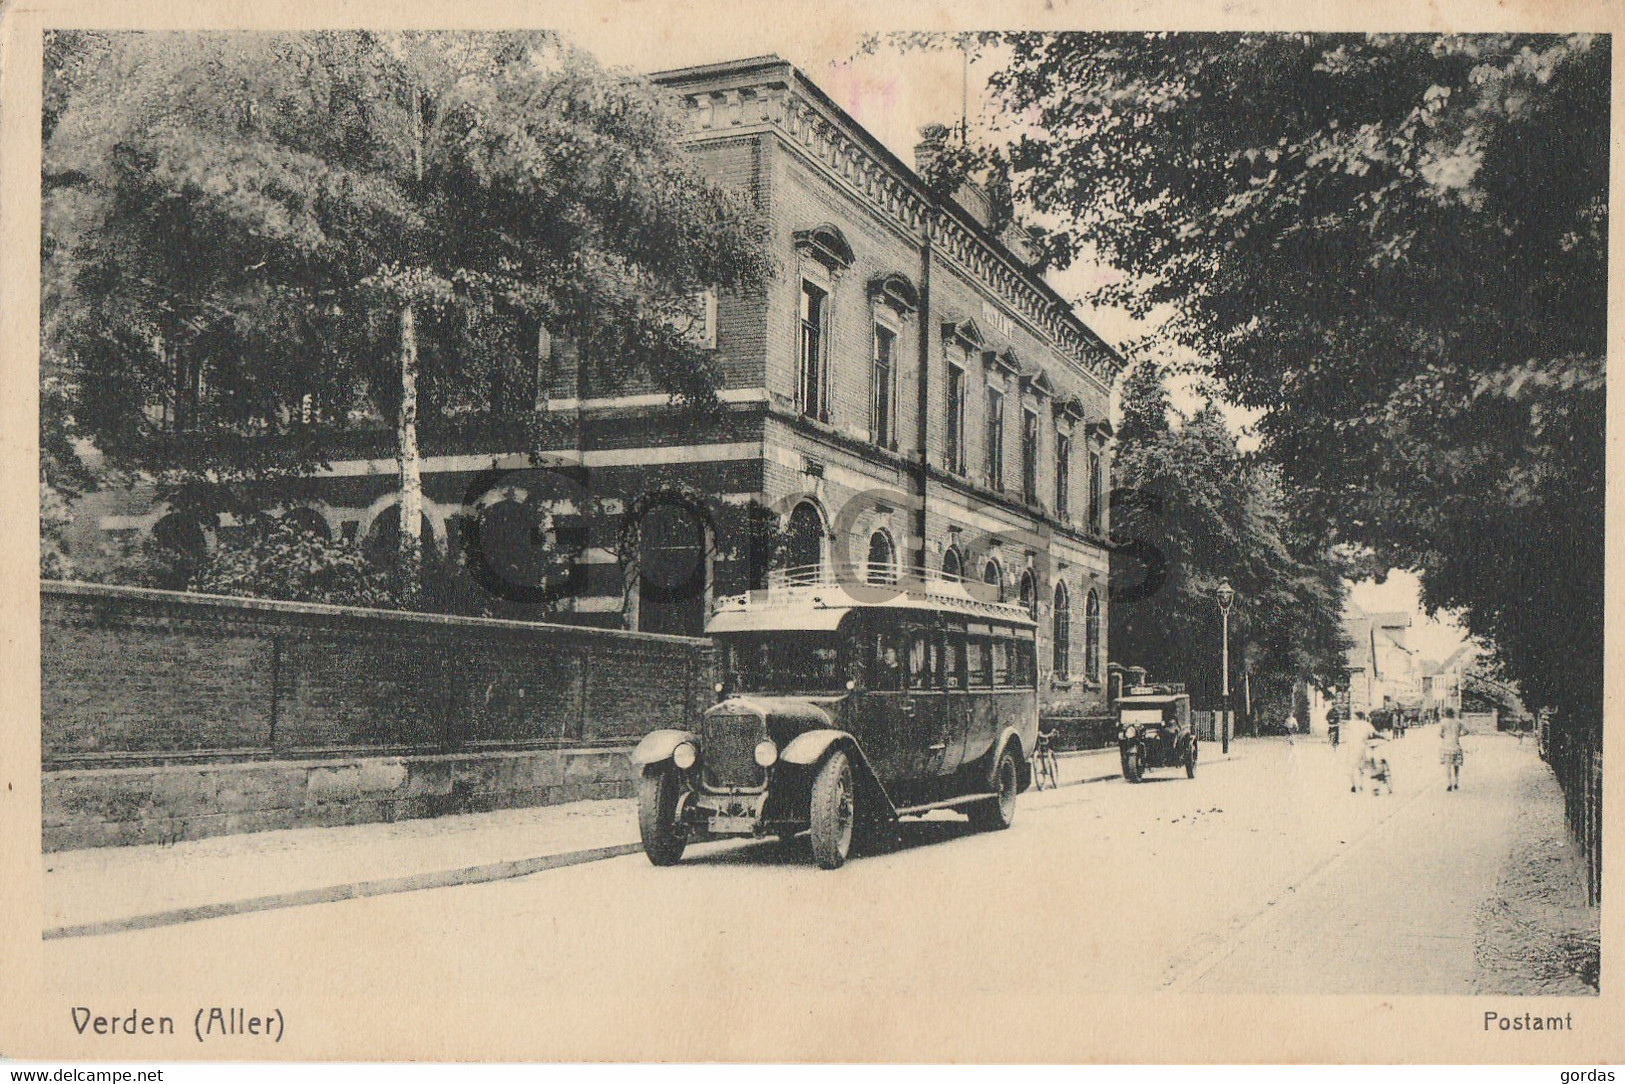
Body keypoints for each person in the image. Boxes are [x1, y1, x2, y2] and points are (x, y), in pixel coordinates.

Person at [1345, 710, 1376, 792]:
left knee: (1352, 767)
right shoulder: (1367, 724)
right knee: (1361, 767)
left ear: (1357, 717)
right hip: (1362, 747)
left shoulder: (1350, 724)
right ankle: (1361, 784)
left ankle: (1354, 785)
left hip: (1351, 747)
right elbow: (1373, 733)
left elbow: (1347, 732)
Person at [1440, 707, 1468, 790]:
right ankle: (1456, 782)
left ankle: (1449, 783)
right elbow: (1466, 731)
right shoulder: (1458, 722)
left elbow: (1440, 734)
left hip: (1446, 746)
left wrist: (1444, 736)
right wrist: (1459, 735)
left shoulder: (1443, 722)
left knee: (1447, 766)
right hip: (1456, 745)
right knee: (1456, 765)